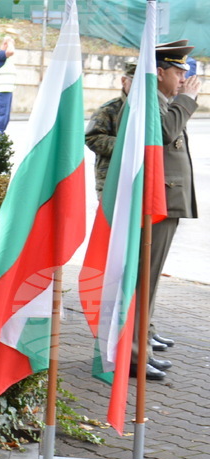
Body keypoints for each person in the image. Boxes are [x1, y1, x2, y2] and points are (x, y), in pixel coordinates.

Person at [127, 40, 201, 381]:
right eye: (177, 71)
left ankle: (141, 345)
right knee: (144, 281)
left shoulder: (161, 98)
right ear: (159, 72)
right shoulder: (152, 99)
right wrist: (187, 101)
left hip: (165, 200)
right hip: (156, 202)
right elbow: (165, 133)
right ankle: (133, 356)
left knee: (150, 280)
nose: (183, 78)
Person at [85, 62, 134, 197]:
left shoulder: (153, 109)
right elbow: (92, 138)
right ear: (124, 81)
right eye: (135, 82)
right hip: (112, 179)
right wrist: (126, 146)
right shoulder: (108, 110)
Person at [0, 35, 17, 133]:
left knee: (5, 116)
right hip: (1, 89)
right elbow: (11, 51)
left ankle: (0, 134)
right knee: (2, 115)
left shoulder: (3, 56)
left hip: (6, 89)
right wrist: (9, 42)